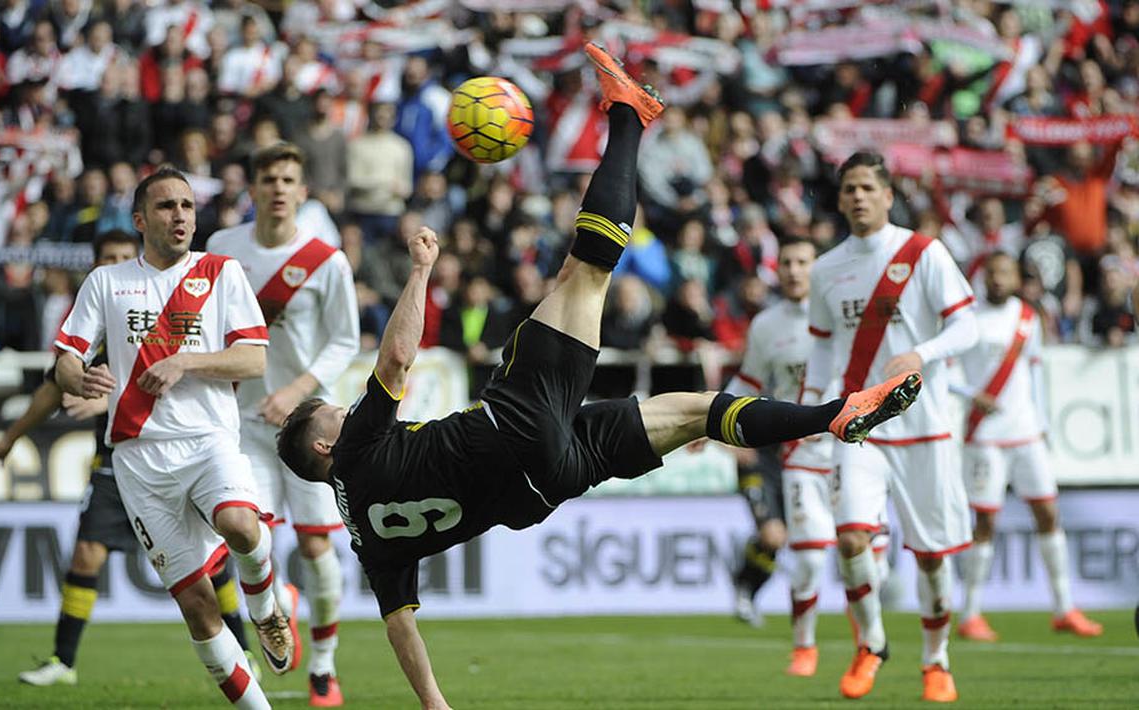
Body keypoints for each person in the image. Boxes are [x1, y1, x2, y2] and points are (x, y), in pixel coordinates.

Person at [274, 45, 924, 710]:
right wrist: (419, 271)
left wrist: (436, 705)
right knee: (584, 272)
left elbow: (399, 625)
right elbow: (394, 363)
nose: (343, 412)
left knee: (697, 409)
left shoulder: (365, 537)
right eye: (331, 414)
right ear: (323, 447)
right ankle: (628, 118)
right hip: (513, 425)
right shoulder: (354, 449)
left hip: (541, 489)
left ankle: (835, 415)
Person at [53, 168, 294, 709]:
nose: (180, 215)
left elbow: (253, 358)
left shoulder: (220, 272)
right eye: (166, 207)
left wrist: (186, 361)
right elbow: (66, 358)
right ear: (140, 220)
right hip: (139, 459)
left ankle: (265, 607)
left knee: (241, 525)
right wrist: (80, 375)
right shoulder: (107, 282)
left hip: (208, 440)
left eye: (187, 205)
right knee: (198, 607)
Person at [0, 231, 264, 685]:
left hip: (182, 453)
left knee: (213, 566)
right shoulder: (93, 331)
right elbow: (53, 387)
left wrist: (116, 399)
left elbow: (237, 363)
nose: (117, 268)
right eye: (107, 260)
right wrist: (11, 438)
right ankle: (63, 661)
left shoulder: (169, 320)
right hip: (117, 464)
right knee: (87, 555)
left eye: (121, 257)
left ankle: (244, 652)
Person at [804, 151, 979, 702]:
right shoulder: (826, 268)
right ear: (839, 199)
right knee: (852, 535)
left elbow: (967, 328)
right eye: (849, 188)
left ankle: (937, 660)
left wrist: (922, 354)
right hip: (861, 427)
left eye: (867, 188)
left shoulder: (923, 253)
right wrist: (811, 410)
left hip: (925, 427)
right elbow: (823, 350)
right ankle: (872, 642)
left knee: (930, 556)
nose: (857, 196)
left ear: (887, 195)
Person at [208, 142, 360, 707]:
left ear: (302, 190)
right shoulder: (222, 249)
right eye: (267, 178)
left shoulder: (327, 259)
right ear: (252, 188)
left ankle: (323, 665)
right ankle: (278, 608)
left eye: (288, 179)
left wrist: (295, 393)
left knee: (320, 550)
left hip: (311, 428)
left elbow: (346, 338)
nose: (277, 188)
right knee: (251, 538)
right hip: (243, 422)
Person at [724, 236, 890, 675]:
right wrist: (717, 425)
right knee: (812, 558)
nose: (795, 270)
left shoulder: (847, 313)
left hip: (854, 451)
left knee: (875, 563)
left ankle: (867, 641)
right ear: (778, 271)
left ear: (819, 269)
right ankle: (804, 647)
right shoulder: (766, 325)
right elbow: (748, 384)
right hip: (798, 454)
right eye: (788, 263)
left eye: (804, 262)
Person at [955, 251, 1102, 642]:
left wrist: (1043, 420)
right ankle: (969, 613)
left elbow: (1035, 370)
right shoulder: (967, 318)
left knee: (1048, 513)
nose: (997, 279)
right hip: (984, 435)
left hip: (1025, 432)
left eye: (1004, 273)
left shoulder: (1027, 318)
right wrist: (972, 394)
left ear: (1017, 278)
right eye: (992, 273)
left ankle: (1064, 607)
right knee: (985, 521)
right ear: (983, 277)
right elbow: (945, 370)